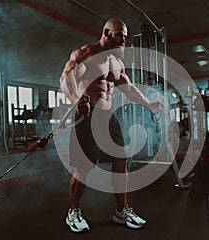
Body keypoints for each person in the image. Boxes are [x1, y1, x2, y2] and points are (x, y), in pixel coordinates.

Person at [59, 18, 163, 233]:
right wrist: (76, 100)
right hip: (86, 116)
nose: (123, 41)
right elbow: (65, 79)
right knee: (85, 166)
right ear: (106, 32)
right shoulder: (84, 54)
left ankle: (121, 211)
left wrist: (149, 104)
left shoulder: (116, 63)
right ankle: (73, 211)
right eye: (120, 36)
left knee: (121, 161)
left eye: (124, 37)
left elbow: (129, 88)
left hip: (108, 117)